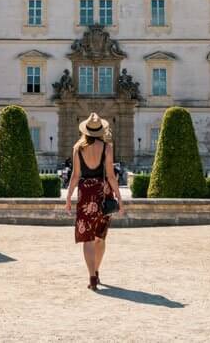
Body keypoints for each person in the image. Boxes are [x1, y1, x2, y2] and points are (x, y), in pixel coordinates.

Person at [65, 112, 122, 291]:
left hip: (85, 194)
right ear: (100, 131)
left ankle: (91, 277)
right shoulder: (107, 147)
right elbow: (111, 176)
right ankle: (97, 271)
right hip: (103, 193)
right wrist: (120, 198)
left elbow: (75, 176)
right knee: (100, 238)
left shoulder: (77, 148)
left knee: (87, 240)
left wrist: (68, 198)